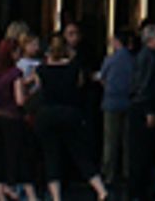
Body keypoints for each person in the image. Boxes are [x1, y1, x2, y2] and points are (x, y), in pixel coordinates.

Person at [35, 34, 107, 201]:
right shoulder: (75, 69)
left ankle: (56, 196)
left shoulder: (42, 70)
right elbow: (80, 86)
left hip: (47, 114)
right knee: (80, 153)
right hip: (70, 113)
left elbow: (37, 89)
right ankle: (100, 189)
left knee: (51, 155)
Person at [0, 39, 38, 201]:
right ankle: (15, 189)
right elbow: (19, 100)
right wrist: (29, 92)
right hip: (12, 118)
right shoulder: (15, 73)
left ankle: (0, 194)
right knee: (16, 156)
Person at [129, 24, 155, 201]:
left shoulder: (152, 57)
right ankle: (139, 192)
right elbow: (143, 85)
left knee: (148, 154)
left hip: (150, 108)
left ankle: (143, 190)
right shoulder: (148, 58)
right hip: (145, 110)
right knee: (142, 154)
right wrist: (149, 110)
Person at [99, 32, 136, 189]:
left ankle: (109, 173)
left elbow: (102, 77)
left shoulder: (110, 60)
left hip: (111, 102)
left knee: (110, 141)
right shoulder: (133, 60)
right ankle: (127, 172)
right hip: (128, 101)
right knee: (127, 140)